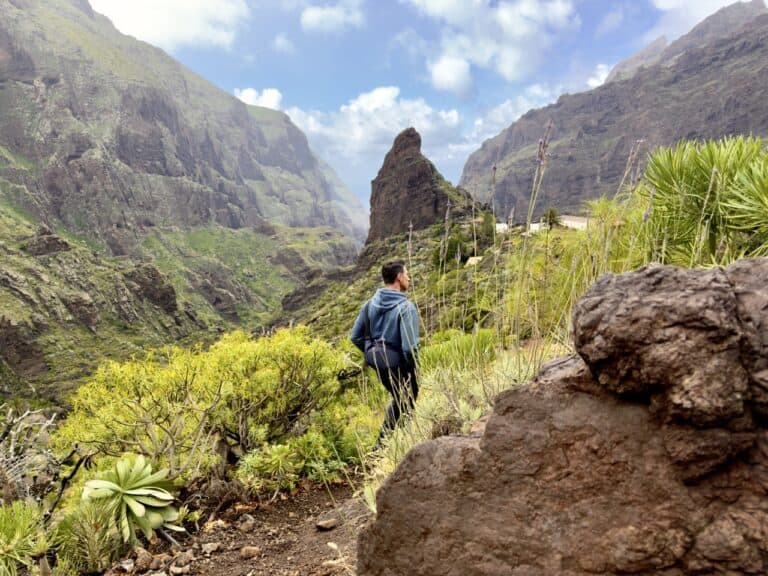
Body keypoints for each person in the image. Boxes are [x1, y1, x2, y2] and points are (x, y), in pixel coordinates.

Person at [351, 260, 419, 444]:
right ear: (399, 277)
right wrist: (415, 367)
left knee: (400, 400)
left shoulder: (369, 305)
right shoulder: (406, 307)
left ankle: (385, 445)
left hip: (378, 363)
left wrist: (374, 353)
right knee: (407, 401)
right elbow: (409, 347)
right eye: (406, 274)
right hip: (399, 365)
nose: (409, 278)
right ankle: (391, 445)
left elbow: (355, 337)